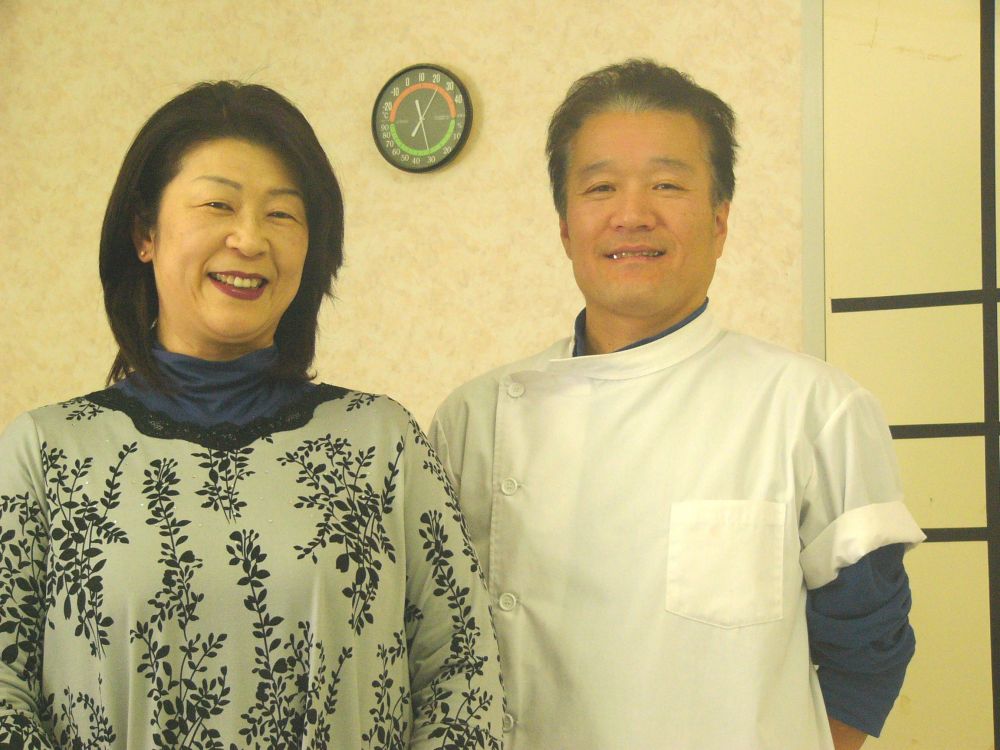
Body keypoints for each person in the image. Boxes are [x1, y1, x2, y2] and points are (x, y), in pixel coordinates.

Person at [429, 59, 925, 750]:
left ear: (720, 221)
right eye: (600, 187)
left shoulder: (815, 408)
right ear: (566, 227)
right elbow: (433, 648)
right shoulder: (473, 419)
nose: (632, 214)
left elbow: (868, 655)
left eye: (667, 184)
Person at [0, 81, 503, 749]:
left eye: (282, 214)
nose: (250, 238)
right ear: (145, 232)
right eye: (219, 204)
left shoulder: (381, 444)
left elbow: (463, 676)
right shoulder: (46, 453)